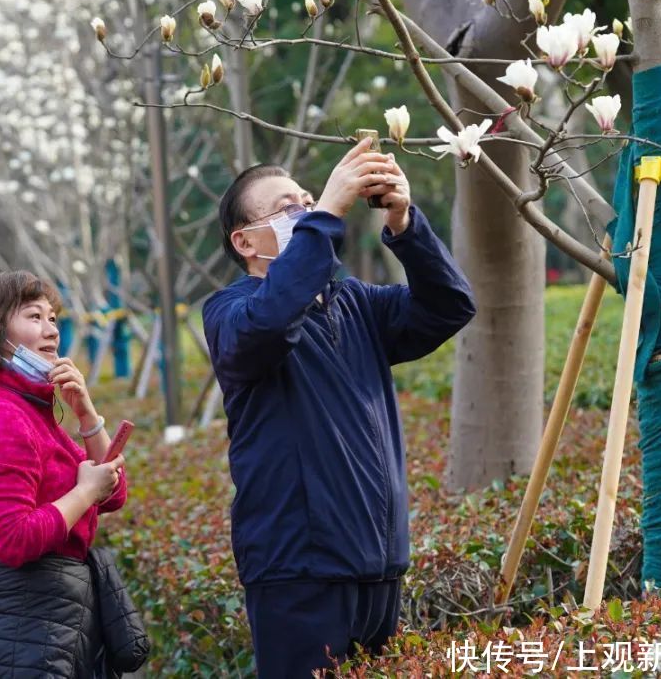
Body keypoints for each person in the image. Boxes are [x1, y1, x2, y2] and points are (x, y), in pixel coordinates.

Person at [202, 138, 477, 677]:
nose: (306, 211)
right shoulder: (230, 312)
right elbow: (273, 320)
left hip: (378, 566)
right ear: (245, 241)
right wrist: (325, 212)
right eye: (288, 208)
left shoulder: (357, 303)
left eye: (309, 199)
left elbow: (449, 305)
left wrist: (402, 220)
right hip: (297, 573)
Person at [0, 271, 128, 678]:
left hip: (51, 625)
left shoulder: (29, 407)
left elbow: (112, 494)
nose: (52, 330)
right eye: (34, 316)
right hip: (24, 629)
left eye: (53, 318)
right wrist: (84, 493)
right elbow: (12, 539)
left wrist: (87, 414)